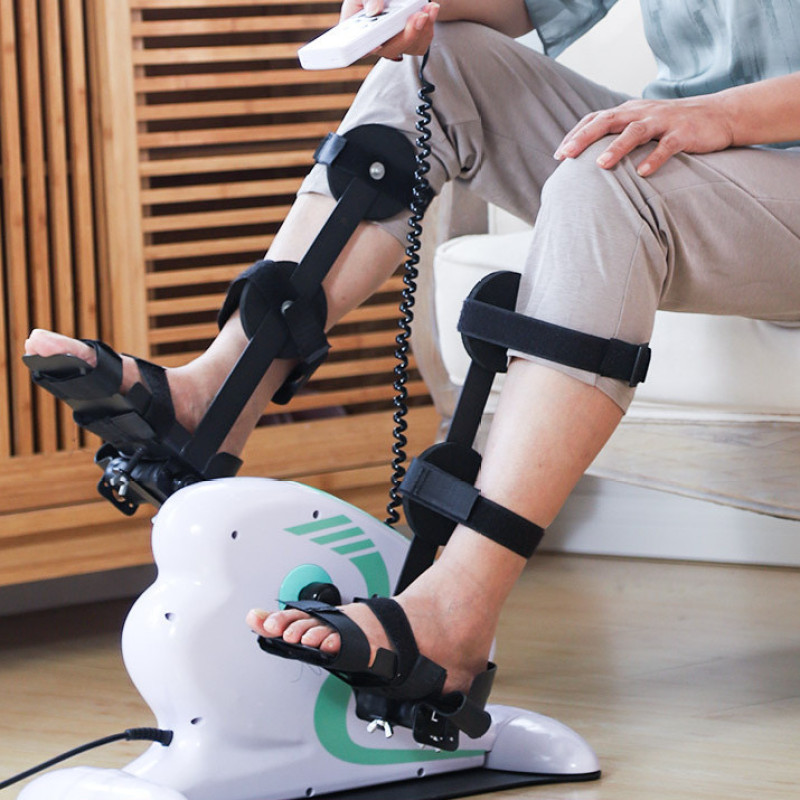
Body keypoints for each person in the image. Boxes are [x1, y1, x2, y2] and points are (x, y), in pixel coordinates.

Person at [25, 0, 800, 706]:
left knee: (607, 177)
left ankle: (459, 608)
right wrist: (424, 6)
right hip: (689, 146)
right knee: (439, 64)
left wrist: (723, 113)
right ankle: (214, 399)